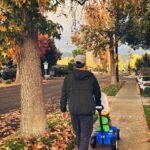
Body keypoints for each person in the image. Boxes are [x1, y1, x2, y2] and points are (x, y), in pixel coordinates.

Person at [60, 54, 101, 150]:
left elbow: (64, 94)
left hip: (74, 111)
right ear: (84, 64)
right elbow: (97, 93)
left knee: (78, 135)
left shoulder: (68, 78)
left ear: (75, 64)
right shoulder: (91, 77)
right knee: (85, 137)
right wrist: (98, 104)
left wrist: (63, 109)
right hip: (87, 111)